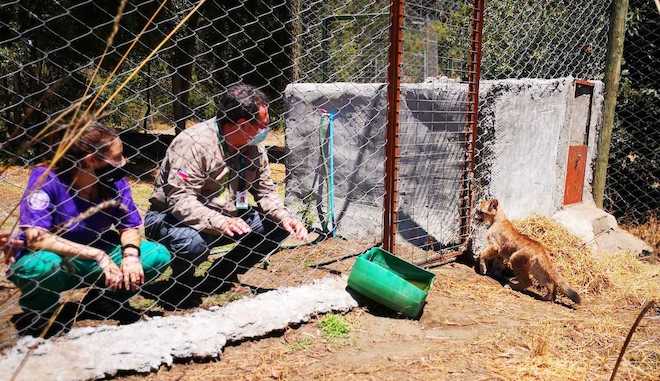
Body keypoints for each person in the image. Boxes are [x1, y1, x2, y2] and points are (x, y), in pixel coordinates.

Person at [145, 83, 307, 308]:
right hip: (172, 218)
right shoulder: (194, 143)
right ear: (242, 124)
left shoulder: (253, 146)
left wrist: (284, 216)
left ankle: (220, 276)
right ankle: (180, 286)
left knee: (278, 226)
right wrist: (219, 221)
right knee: (192, 242)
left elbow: (265, 190)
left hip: (230, 213)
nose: (267, 130)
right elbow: (180, 199)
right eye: (263, 125)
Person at [7, 118, 171, 336]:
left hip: (97, 250)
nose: (125, 161)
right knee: (38, 267)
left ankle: (105, 300)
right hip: (54, 256)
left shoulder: (114, 180)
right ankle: (40, 315)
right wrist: (97, 255)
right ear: (92, 160)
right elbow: (37, 238)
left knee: (156, 255)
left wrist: (131, 256)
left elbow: (129, 226)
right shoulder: (47, 178)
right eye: (117, 157)